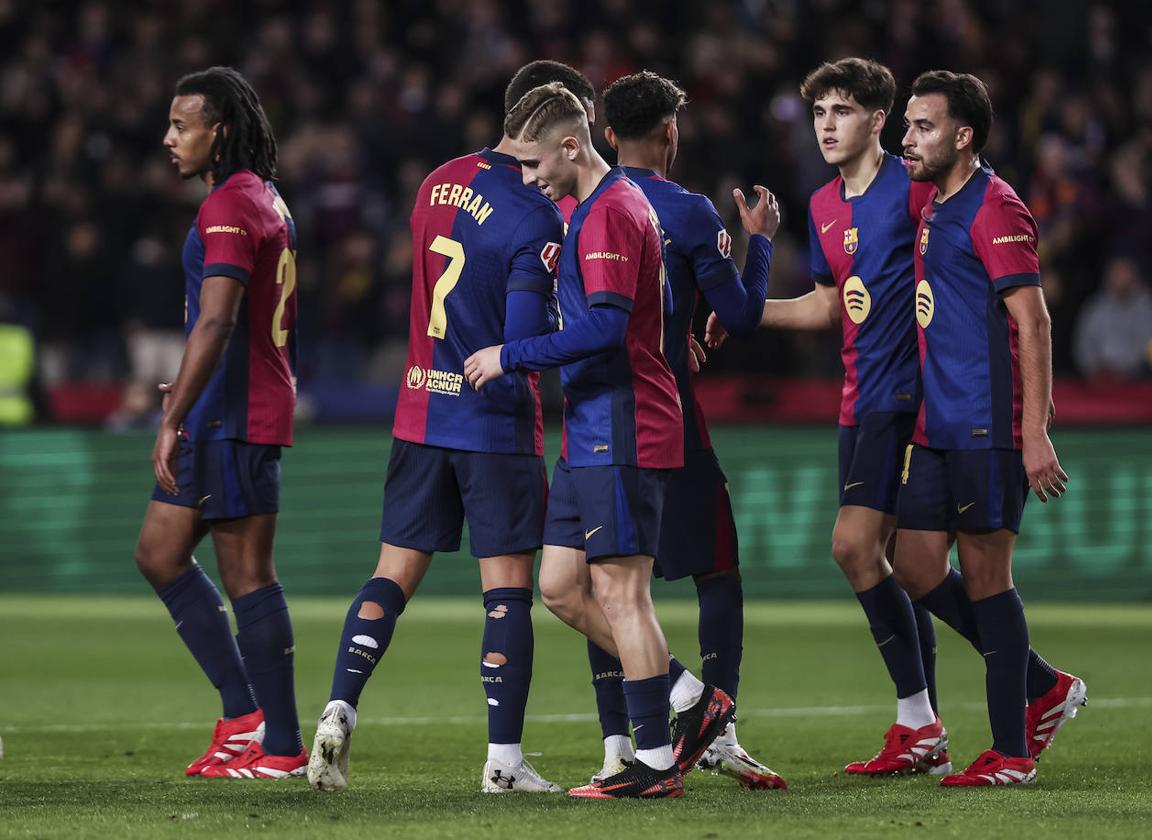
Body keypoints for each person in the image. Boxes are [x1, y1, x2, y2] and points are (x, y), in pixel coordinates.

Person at [305, 65, 576, 796]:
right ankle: (503, 762)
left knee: (391, 573)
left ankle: (337, 708)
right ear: (555, 133)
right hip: (492, 420)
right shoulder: (536, 214)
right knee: (506, 594)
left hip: (421, 408)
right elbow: (522, 335)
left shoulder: (434, 182)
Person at [465, 82, 734, 800]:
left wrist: (510, 355)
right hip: (588, 426)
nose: (526, 178)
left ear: (571, 146)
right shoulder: (592, 210)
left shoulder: (612, 211)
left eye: (530, 164)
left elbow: (609, 326)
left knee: (621, 593)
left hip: (625, 424)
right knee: (557, 586)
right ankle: (686, 697)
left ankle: (652, 763)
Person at [711, 57, 952, 776]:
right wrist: (749, 313)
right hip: (856, 400)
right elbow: (826, 302)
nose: (826, 124)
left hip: (906, 398)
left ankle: (964, 702)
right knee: (902, 568)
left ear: (879, 121)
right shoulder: (821, 206)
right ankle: (926, 729)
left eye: (841, 111)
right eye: (819, 112)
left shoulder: (915, 192)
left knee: (854, 549)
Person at [585, 69, 786, 790]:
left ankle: (619, 741)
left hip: (595, 414)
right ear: (672, 132)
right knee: (717, 567)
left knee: (603, 578)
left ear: (607, 136)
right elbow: (740, 317)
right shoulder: (694, 212)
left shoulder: (585, 204)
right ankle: (718, 725)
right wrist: (756, 242)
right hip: (669, 411)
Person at [894, 69, 1086, 787]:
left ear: (963, 136)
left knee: (985, 579)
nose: (907, 138)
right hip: (935, 425)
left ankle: (1011, 753)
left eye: (922, 127)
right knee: (912, 566)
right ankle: (1042, 682)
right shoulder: (937, 204)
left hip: (986, 425)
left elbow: (1032, 321)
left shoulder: (994, 205)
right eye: (908, 124)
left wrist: (1033, 431)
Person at [135, 66, 305, 780]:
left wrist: (173, 415)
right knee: (160, 553)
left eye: (183, 126)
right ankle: (243, 717)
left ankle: (285, 745)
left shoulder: (230, 206)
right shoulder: (260, 198)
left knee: (246, 575)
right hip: (222, 404)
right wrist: (190, 392)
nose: (170, 138)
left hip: (237, 416)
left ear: (220, 130)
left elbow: (219, 317)